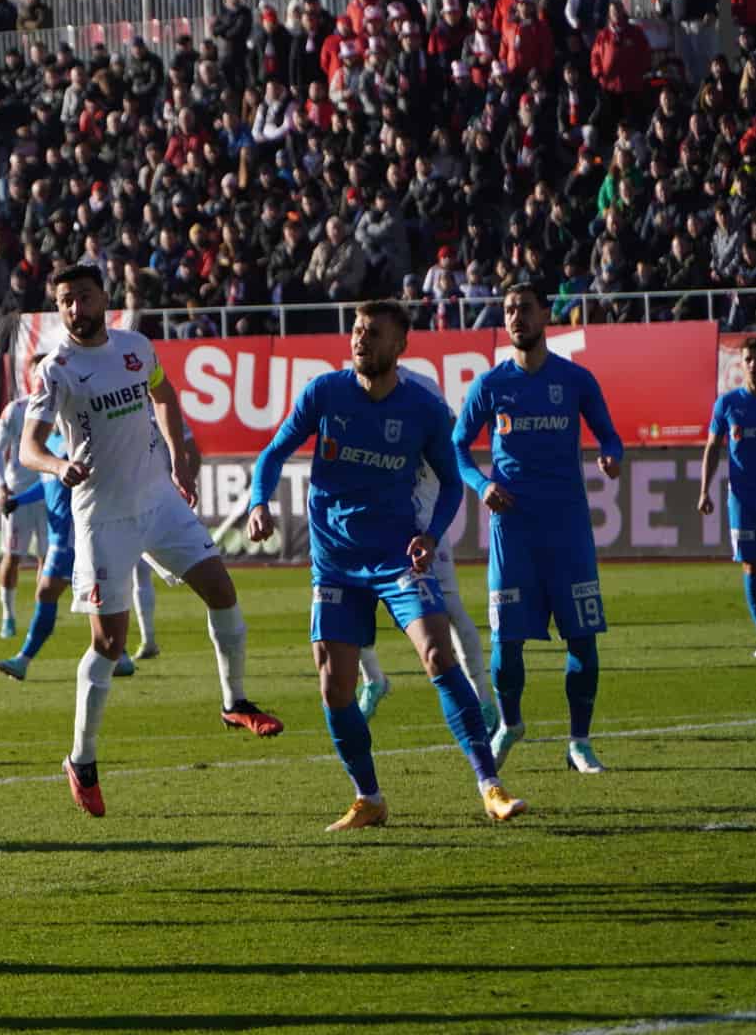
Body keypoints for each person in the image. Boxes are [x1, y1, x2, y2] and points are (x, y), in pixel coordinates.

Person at [248, 301, 525, 831]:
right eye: (356, 331)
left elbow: (449, 482)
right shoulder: (324, 392)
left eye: (373, 333)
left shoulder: (421, 408)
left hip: (397, 555)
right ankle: (368, 798)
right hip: (334, 563)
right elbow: (273, 453)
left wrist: (430, 534)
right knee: (334, 685)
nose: (360, 340)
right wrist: (260, 501)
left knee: (438, 654)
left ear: (401, 346)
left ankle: (490, 785)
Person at [21, 265, 280, 819]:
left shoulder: (137, 346)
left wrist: (180, 459)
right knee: (110, 643)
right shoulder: (55, 370)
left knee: (222, 590)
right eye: (64, 301)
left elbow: (164, 395)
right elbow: (28, 447)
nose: (74, 310)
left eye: (83, 298)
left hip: (159, 499)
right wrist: (58, 465)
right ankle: (81, 760)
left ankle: (234, 702)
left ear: (103, 299)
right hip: (102, 518)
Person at [453, 281, 622, 776]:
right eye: (508, 310)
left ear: (546, 314)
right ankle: (510, 724)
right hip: (512, 530)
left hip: (568, 527)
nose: (515, 317)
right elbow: (458, 447)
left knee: (582, 638)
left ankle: (580, 742)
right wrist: (482, 485)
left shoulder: (575, 380)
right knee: (505, 641)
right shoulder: (490, 385)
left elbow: (609, 433)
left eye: (525, 308)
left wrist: (612, 454)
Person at [355, 366, 495, 735]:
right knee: (346, 605)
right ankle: (373, 680)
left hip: (421, 513)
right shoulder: (350, 382)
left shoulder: (422, 384)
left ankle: (483, 700)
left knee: (449, 608)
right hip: (372, 515)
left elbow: (447, 439)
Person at [699, 338, 756, 656]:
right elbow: (713, 447)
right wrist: (704, 490)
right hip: (743, 501)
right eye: (749, 359)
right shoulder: (727, 404)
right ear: (741, 363)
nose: (754, 365)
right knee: (751, 565)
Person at [0, 355, 51, 639]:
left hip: (50, 493)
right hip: (19, 493)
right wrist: (2, 485)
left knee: (47, 558)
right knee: (12, 556)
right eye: (36, 372)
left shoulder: (60, 406)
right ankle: (8, 615)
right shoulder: (15, 410)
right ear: (29, 376)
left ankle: (41, 615)